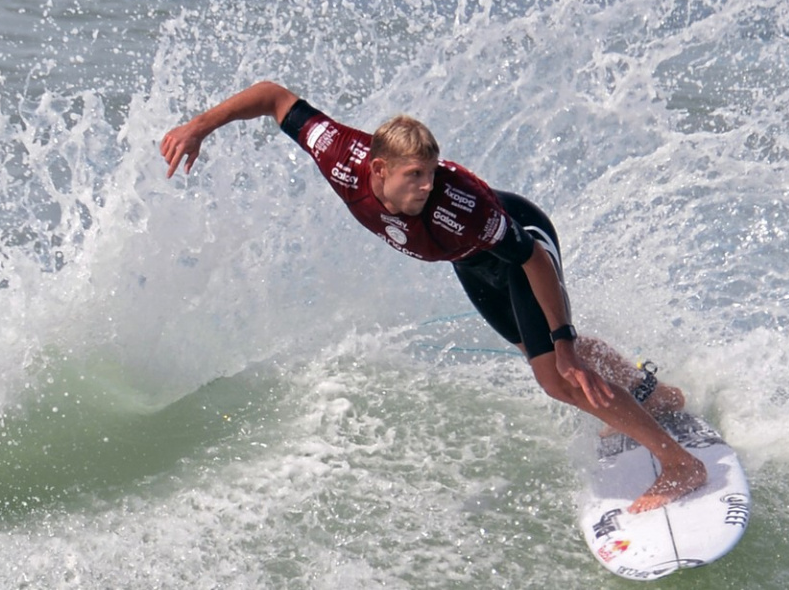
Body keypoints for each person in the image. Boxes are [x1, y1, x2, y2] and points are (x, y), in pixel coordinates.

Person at [159, 81, 706, 513]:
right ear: (377, 170)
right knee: (547, 356)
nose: (427, 185)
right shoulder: (341, 156)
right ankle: (653, 394)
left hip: (521, 247)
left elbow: (533, 261)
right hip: (468, 262)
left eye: (432, 172)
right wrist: (199, 126)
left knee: (557, 373)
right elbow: (272, 97)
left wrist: (562, 344)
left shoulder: (462, 207)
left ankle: (680, 465)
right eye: (415, 176)